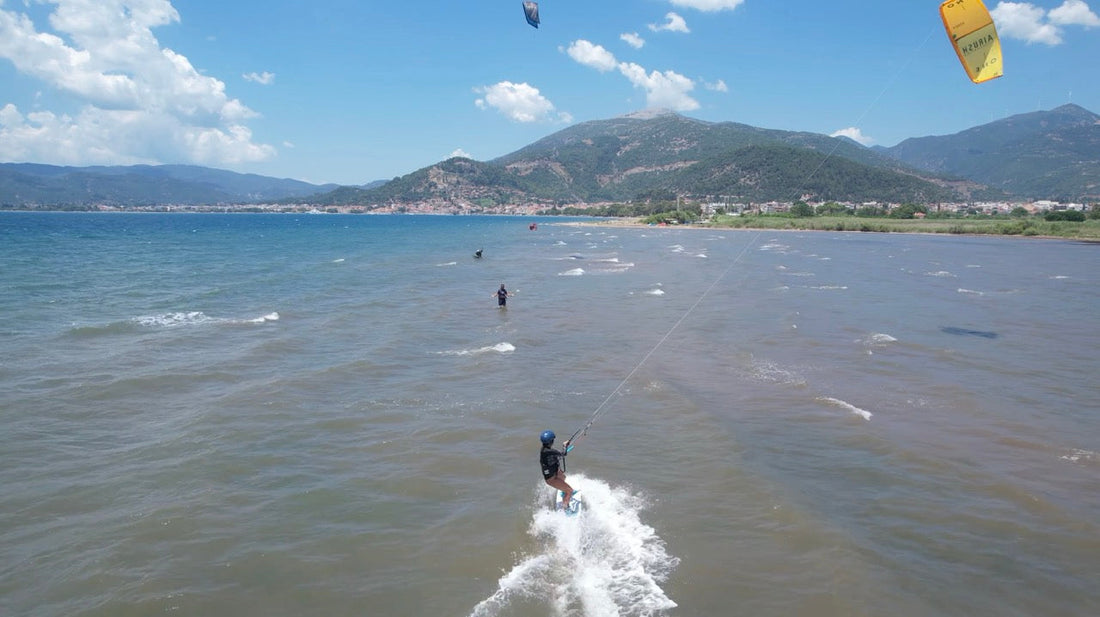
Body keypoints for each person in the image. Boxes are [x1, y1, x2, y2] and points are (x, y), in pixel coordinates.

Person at [539, 430, 574, 510]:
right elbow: (563, 453)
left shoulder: (545, 450)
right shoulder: (547, 451)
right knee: (570, 491)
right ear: (551, 441)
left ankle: (563, 491)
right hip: (551, 479)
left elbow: (555, 455)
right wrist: (564, 445)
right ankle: (565, 508)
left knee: (563, 477)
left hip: (555, 473)